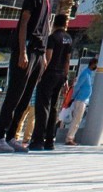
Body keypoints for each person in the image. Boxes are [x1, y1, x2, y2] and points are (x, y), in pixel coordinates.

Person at [0, 0, 63, 153]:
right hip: (28, 49)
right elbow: (24, 22)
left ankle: (12, 136)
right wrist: (22, 50)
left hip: (39, 52)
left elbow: (47, 25)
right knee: (15, 93)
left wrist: (45, 55)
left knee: (25, 98)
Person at [29, 13, 75, 150]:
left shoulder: (52, 38)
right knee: (54, 106)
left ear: (54, 23)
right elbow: (67, 60)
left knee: (42, 106)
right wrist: (66, 78)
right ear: (65, 24)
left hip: (50, 74)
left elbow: (48, 58)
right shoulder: (68, 39)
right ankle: (50, 140)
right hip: (61, 75)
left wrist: (40, 74)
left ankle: (37, 140)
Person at [60, 45, 91, 145]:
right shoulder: (85, 74)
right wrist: (73, 97)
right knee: (76, 119)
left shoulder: (87, 74)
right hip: (80, 99)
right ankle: (69, 138)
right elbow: (77, 86)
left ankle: (69, 137)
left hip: (80, 99)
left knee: (74, 118)